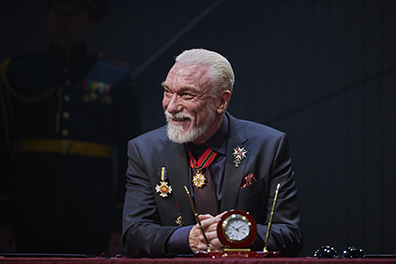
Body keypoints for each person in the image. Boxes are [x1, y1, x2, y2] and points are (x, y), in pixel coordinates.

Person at [122, 48, 303, 257]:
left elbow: (290, 234)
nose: (170, 106)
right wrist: (187, 238)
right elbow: (134, 235)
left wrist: (236, 235)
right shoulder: (144, 151)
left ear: (221, 101)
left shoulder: (269, 146)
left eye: (186, 94)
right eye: (167, 91)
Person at [0, 0, 141, 254]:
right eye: (56, 12)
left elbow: (131, 156)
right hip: (27, 214)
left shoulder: (114, 77)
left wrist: (121, 222)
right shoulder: (16, 72)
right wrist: (1, 218)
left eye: (72, 12)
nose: (62, 19)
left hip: (91, 215)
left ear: (90, 22)